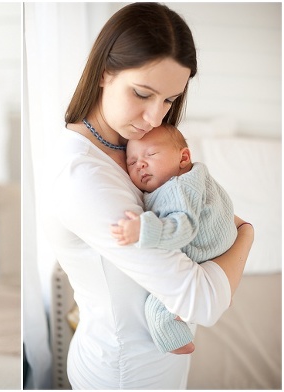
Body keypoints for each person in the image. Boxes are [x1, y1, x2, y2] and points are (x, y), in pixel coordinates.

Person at [44, 2, 254, 389]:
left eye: (170, 100)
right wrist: (247, 235)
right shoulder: (83, 176)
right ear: (105, 73)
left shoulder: (132, 144)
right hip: (125, 372)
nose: (156, 117)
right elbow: (201, 301)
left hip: (156, 363)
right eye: (143, 93)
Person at [109, 124, 237, 355]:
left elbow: (183, 229)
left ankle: (179, 342)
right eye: (132, 162)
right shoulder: (184, 180)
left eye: (151, 154)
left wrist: (143, 230)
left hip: (206, 247)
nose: (141, 164)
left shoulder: (176, 187)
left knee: (157, 307)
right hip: (220, 239)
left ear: (184, 157)